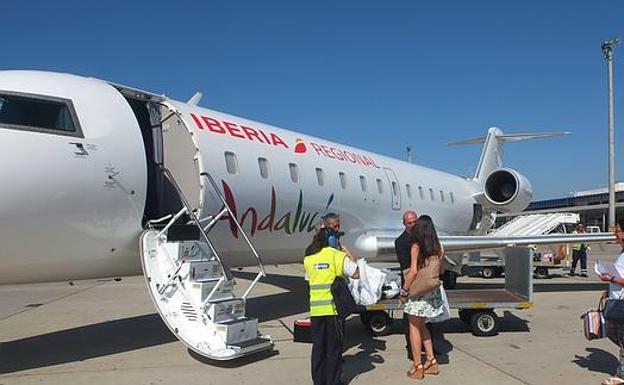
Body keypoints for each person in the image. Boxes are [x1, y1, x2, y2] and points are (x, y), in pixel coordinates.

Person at [304, 227, 360, 385]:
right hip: (332, 311)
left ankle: (318, 382)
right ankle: (333, 382)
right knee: (333, 350)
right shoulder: (338, 256)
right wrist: (346, 253)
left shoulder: (309, 259)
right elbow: (356, 273)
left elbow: (309, 280)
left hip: (316, 311)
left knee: (318, 349)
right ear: (333, 241)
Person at [401, 215, 444, 380]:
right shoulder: (438, 246)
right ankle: (431, 361)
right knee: (423, 326)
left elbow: (413, 271)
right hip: (431, 291)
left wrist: (404, 290)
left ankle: (417, 365)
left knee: (413, 327)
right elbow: (440, 271)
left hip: (418, 292)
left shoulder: (416, 245)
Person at [599, 219, 624, 385]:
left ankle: (621, 376)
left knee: (622, 338)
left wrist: (611, 278)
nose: (615, 233)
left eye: (618, 231)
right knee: (615, 334)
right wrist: (607, 288)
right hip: (616, 301)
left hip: (621, 302)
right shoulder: (622, 253)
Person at [395, 210, 418, 360]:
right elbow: (406, 268)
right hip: (410, 282)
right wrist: (406, 289)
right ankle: (411, 350)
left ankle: (428, 347)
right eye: (410, 223)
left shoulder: (422, 237)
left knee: (427, 318)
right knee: (409, 319)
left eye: (415, 221)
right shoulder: (400, 241)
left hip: (423, 283)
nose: (413, 225)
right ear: (404, 224)